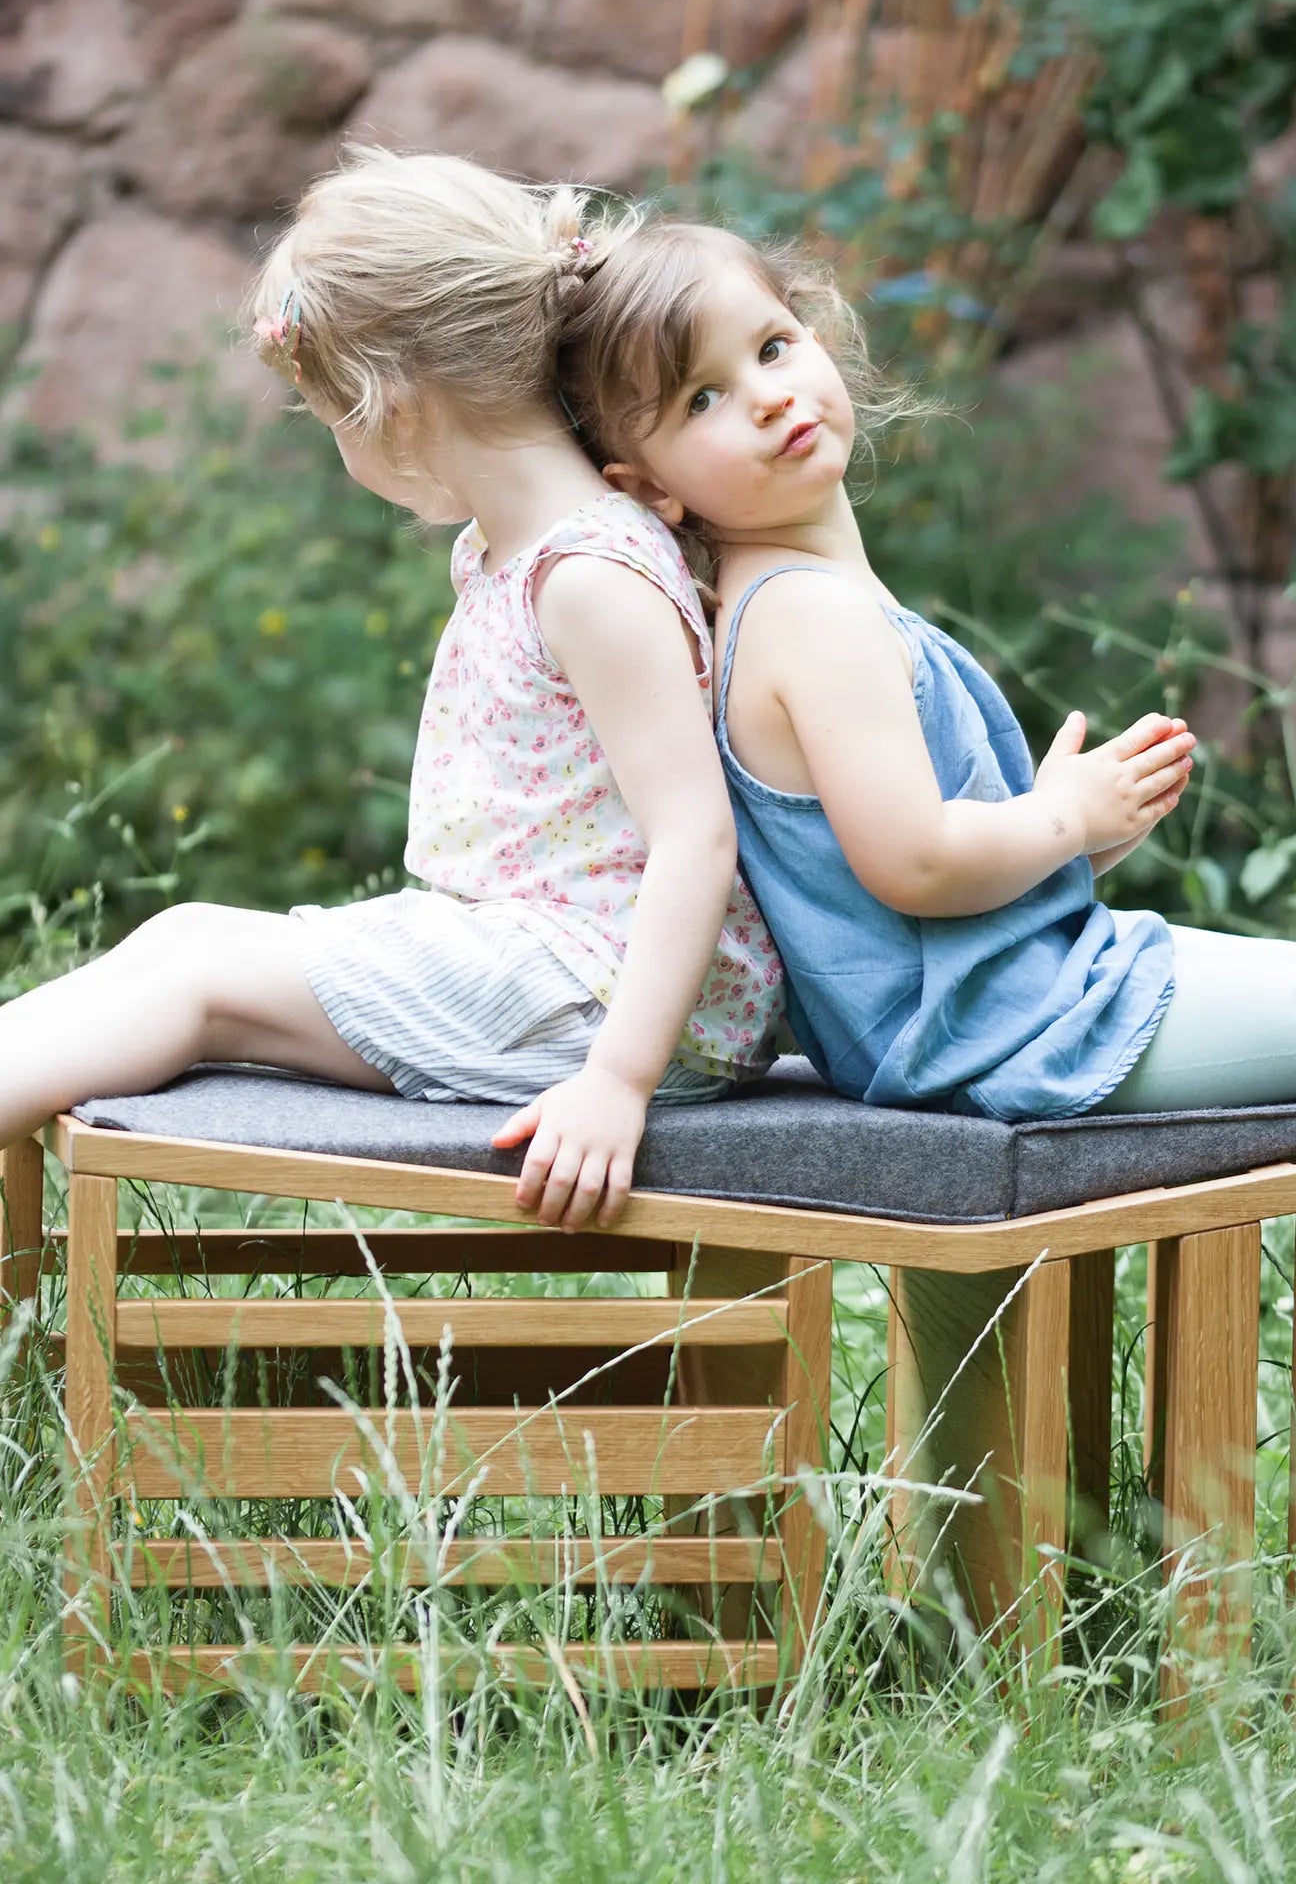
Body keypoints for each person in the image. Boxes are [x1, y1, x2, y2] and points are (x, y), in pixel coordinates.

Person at [552, 217, 1296, 1161]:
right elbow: (916, 866)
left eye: (770, 346)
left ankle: (963, 1345)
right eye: (701, 400)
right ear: (648, 488)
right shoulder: (809, 617)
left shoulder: (795, 600)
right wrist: (1061, 818)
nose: (765, 395)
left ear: (816, 334)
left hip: (984, 1012)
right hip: (1004, 1027)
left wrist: (1076, 836)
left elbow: (885, 895)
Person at [0, 154, 783, 1232]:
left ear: (393, 409)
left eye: (325, 412)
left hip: (614, 998)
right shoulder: (511, 549)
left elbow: (697, 833)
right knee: (187, 940)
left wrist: (619, 1079)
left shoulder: (590, 573)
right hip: (550, 964)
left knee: (198, 981)